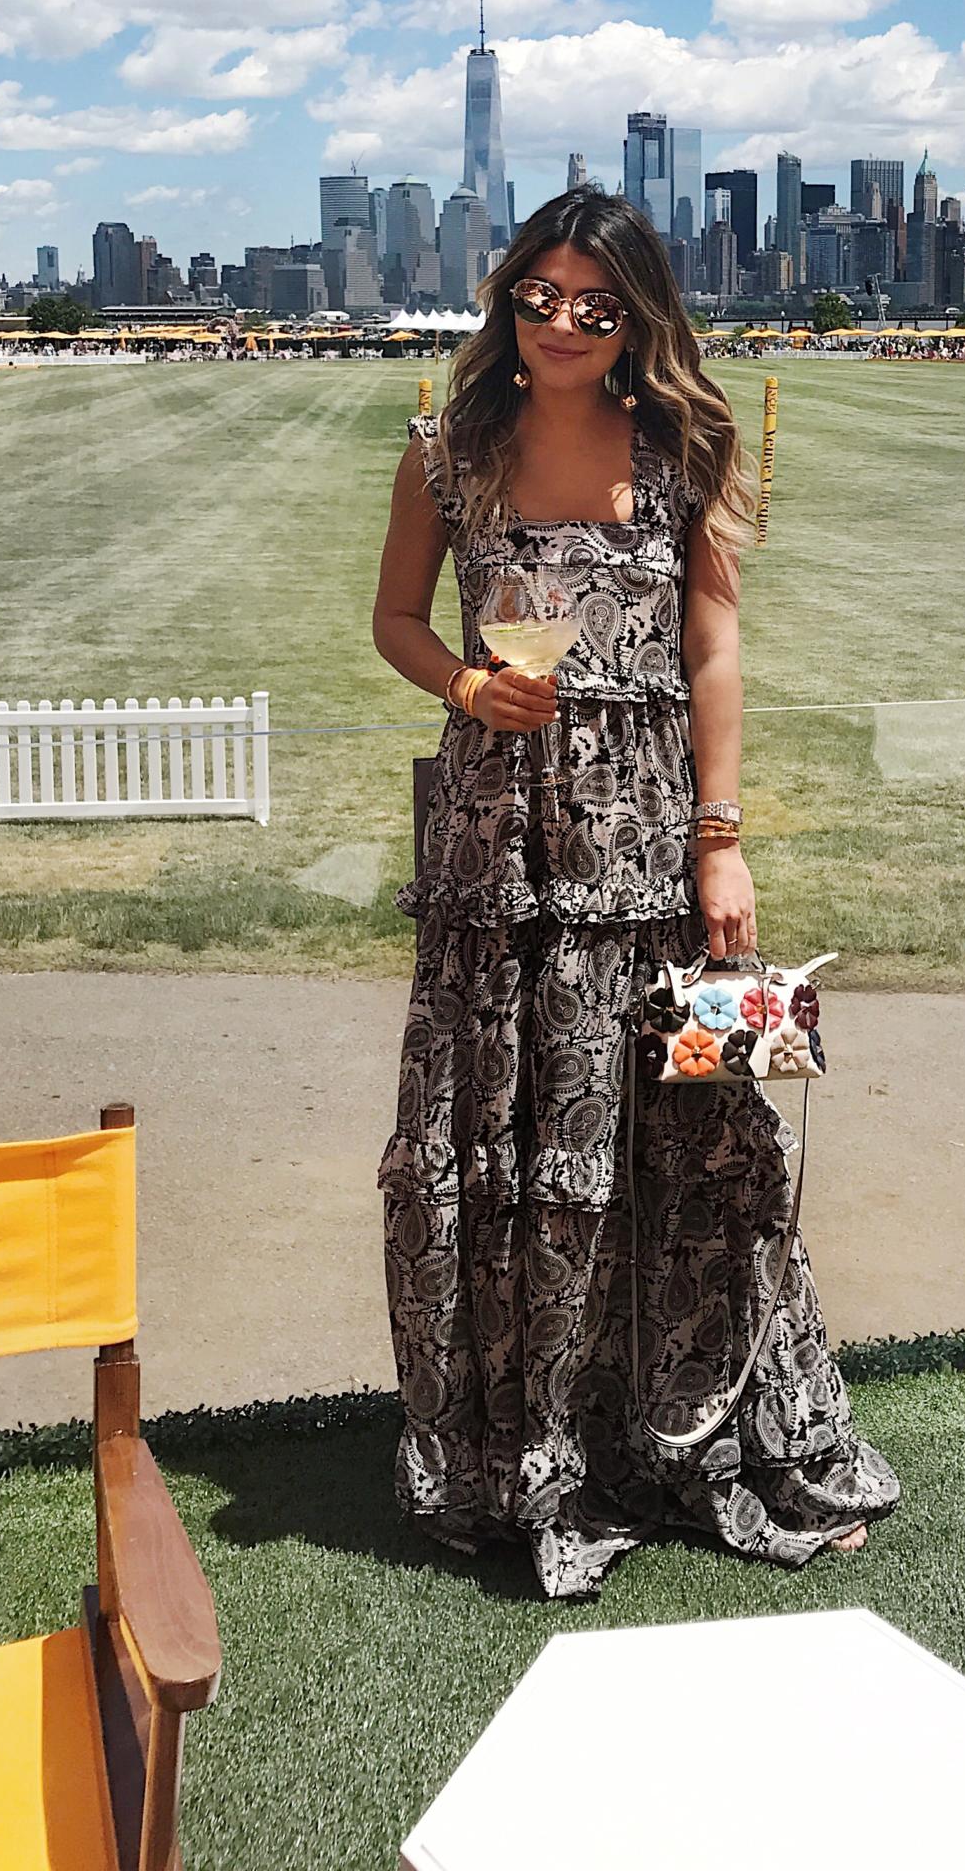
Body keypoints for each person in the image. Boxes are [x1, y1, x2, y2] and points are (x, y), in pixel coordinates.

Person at [371, 190, 897, 1599]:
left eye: (595, 305)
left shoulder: (683, 448)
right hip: (497, 854)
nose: (560, 324)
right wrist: (469, 684)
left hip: (650, 850)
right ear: (507, 302)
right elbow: (395, 624)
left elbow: (712, 654)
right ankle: (524, 1453)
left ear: (639, 318)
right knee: (509, 1137)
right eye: (536, 296)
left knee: (689, 1136)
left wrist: (723, 841)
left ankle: (700, 1436)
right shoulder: (448, 451)